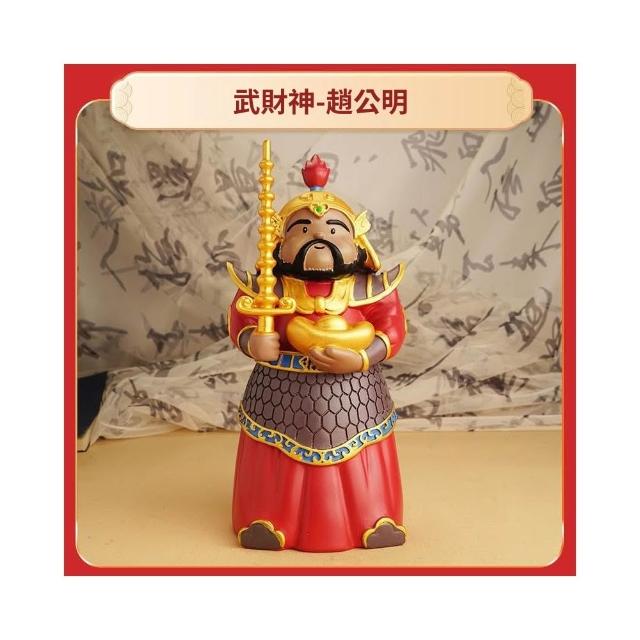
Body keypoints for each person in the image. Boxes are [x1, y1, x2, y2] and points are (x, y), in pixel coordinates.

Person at [227, 153, 407, 551]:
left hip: (355, 392)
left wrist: (362, 358)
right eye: (303, 228)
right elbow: (241, 317)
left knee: (360, 458)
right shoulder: (268, 288)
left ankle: (373, 517)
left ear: (357, 243)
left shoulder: (369, 289)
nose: (318, 236)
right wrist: (253, 342)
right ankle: (267, 519)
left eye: (334, 228)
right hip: (280, 389)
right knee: (276, 458)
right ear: (280, 244)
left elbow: (392, 328)